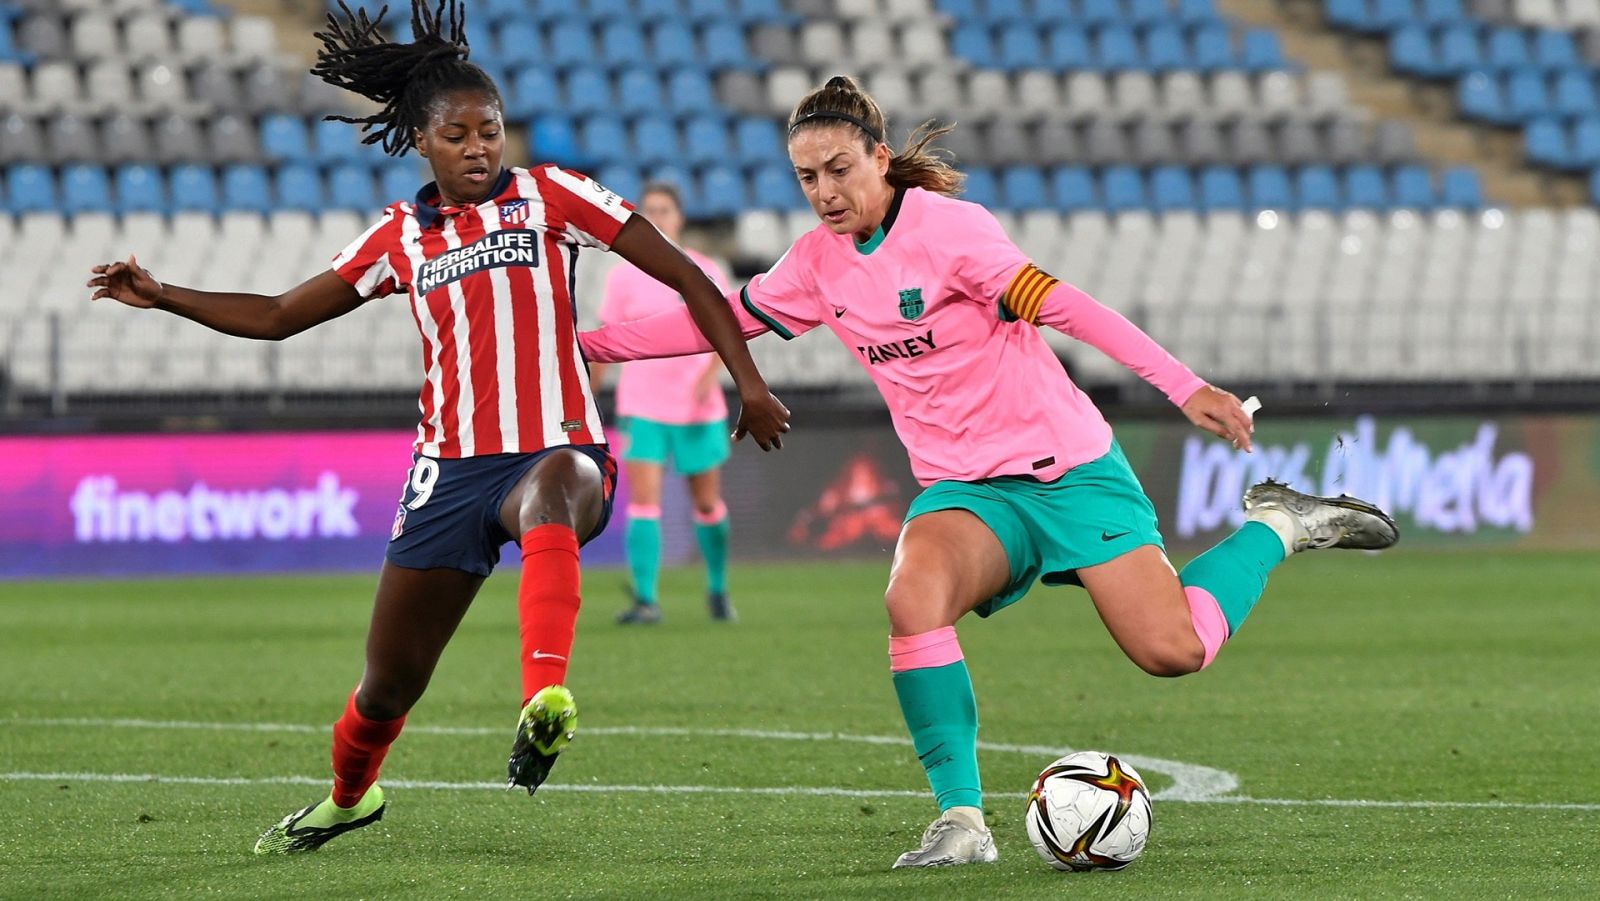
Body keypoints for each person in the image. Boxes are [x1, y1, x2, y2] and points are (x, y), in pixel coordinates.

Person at [578, 75, 1399, 869]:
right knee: (912, 594)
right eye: (805, 178)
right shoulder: (816, 264)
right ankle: (961, 817)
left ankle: (1279, 524)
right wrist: (580, 346)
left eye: (838, 170)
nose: (824, 192)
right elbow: (712, 319)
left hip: (1069, 471)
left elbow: (1069, 306)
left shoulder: (952, 232)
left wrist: (1185, 387)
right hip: (969, 493)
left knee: (1173, 650)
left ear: (878, 155)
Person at [86, 0, 788, 855]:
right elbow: (275, 314)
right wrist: (164, 295)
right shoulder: (397, 236)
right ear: (423, 140)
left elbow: (687, 275)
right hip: (447, 470)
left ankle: (544, 697)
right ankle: (350, 797)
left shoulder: (552, 196)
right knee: (386, 687)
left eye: (489, 131)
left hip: (553, 442)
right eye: (458, 135)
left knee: (556, 491)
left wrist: (748, 383)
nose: (479, 148)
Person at [588, 182, 737, 624]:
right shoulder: (623, 277)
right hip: (643, 404)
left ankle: (717, 587)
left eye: (664, 209)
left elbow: (728, 333)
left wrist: (708, 378)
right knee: (644, 503)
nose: (657, 217)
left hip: (697, 408)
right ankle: (646, 600)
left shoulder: (706, 269)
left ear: (679, 217)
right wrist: (588, 395)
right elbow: (605, 339)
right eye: (648, 210)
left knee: (707, 504)